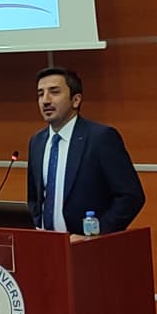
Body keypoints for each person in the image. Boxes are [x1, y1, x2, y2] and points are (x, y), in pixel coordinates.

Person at [26, 67, 145, 234]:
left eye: (54, 92)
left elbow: (131, 196)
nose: (45, 100)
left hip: (87, 243)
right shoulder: (37, 142)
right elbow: (34, 198)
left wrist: (96, 233)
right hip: (46, 243)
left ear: (76, 100)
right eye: (40, 94)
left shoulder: (100, 138)